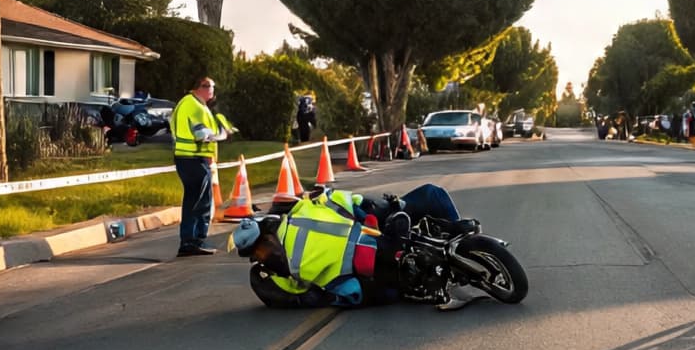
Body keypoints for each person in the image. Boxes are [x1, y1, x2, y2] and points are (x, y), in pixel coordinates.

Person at [231, 183, 478, 310]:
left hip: (367, 252)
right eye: (258, 253)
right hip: (367, 266)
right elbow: (339, 199)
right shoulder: (301, 215)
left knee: (423, 201)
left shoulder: (284, 265)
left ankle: (461, 245)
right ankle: (458, 246)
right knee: (430, 195)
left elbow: (305, 297)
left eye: (259, 250)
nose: (262, 254)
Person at [170, 75, 228, 257]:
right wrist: (221, 134)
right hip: (192, 158)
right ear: (199, 87)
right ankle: (191, 241)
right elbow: (202, 134)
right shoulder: (193, 105)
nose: (212, 90)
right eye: (209, 86)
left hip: (192, 158)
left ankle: (193, 240)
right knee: (198, 201)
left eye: (213, 86)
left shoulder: (196, 104)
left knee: (198, 199)